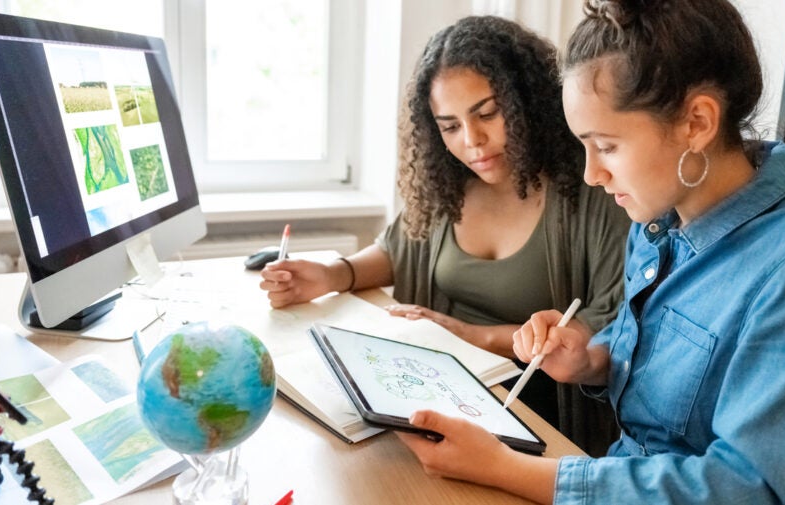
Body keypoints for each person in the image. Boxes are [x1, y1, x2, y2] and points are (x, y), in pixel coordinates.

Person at [394, 1, 785, 503]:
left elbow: (747, 489)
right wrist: (587, 358)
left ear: (697, 121)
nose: (591, 174)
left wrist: (507, 469)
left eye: (606, 146)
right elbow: (637, 354)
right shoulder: (656, 226)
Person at [259, 15, 631, 454]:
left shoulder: (593, 190)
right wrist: (330, 275)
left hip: (538, 414)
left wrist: (462, 335)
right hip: (446, 389)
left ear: (527, 101)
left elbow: (606, 332)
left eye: (488, 114)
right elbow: (400, 249)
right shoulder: (450, 184)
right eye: (450, 126)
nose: (472, 140)